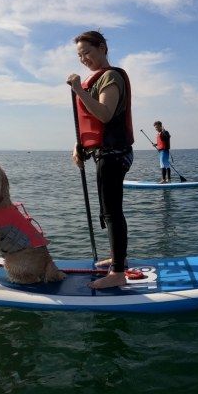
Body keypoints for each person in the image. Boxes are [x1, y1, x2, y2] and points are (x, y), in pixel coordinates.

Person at [67, 31, 134, 289]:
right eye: (80, 55)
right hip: (104, 153)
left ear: (103, 48)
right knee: (108, 210)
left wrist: (77, 90)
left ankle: (118, 273)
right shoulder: (95, 79)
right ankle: (119, 259)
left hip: (115, 154)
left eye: (88, 52)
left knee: (112, 212)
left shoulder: (110, 77)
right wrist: (80, 146)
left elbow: (105, 114)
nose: (84, 59)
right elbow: (94, 126)